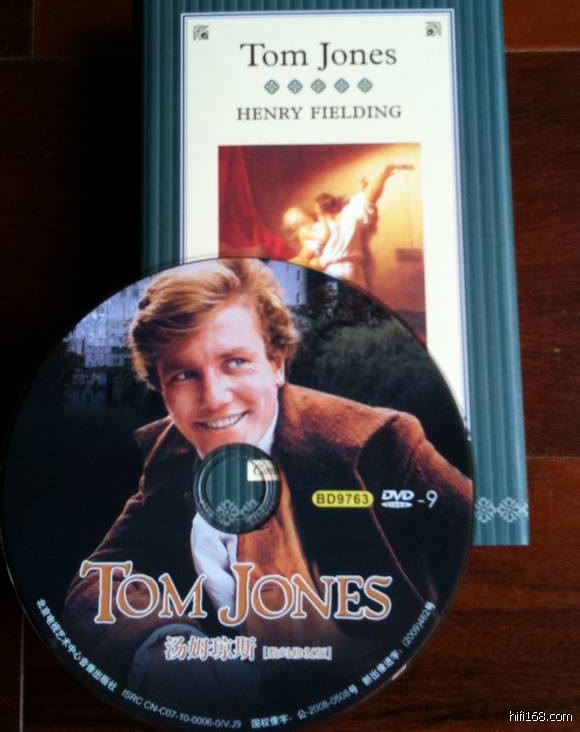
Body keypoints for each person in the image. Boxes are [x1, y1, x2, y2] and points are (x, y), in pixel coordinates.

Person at [63, 259, 471, 714]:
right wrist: (158, 644)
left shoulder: (380, 443)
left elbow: (481, 554)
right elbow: (99, 578)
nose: (214, 397)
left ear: (276, 364)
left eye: (235, 362)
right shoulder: (171, 453)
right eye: (184, 375)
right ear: (162, 389)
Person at [315, 163, 413, 287]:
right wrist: (382, 176)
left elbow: (313, 253)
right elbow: (369, 199)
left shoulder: (320, 227)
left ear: (320, 210)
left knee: (336, 300)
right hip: (354, 269)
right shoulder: (350, 213)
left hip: (334, 271)